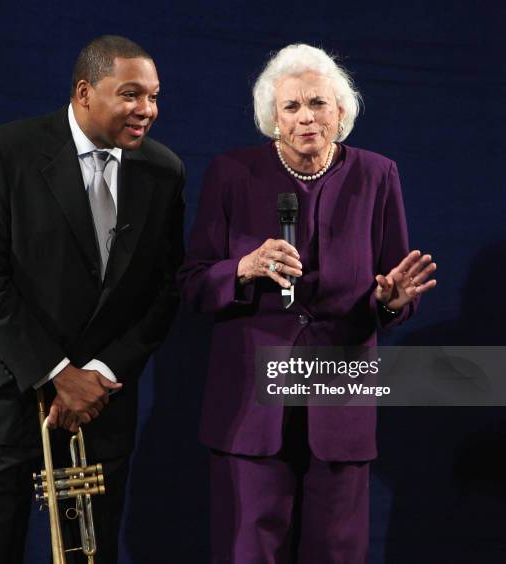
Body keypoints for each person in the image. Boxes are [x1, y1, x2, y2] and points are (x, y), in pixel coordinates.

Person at [177, 43, 437, 563]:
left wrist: (390, 302)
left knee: (337, 552)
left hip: (340, 396)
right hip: (251, 405)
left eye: (318, 103)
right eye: (291, 107)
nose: (306, 117)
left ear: (342, 111)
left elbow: (393, 291)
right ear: (272, 118)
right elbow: (192, 285)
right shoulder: (232, 173)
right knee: (249, 549)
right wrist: (243, 269)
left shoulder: (377, 174)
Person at [0, 35, 185, 564]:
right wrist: (59, 373)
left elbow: (164, 288)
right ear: (85, 92)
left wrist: (100, 373)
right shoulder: (4, 152)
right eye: (131, 95)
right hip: (9, 401)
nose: (146, 110)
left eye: (153, 96)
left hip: (102, 407)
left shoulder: (164, 170)